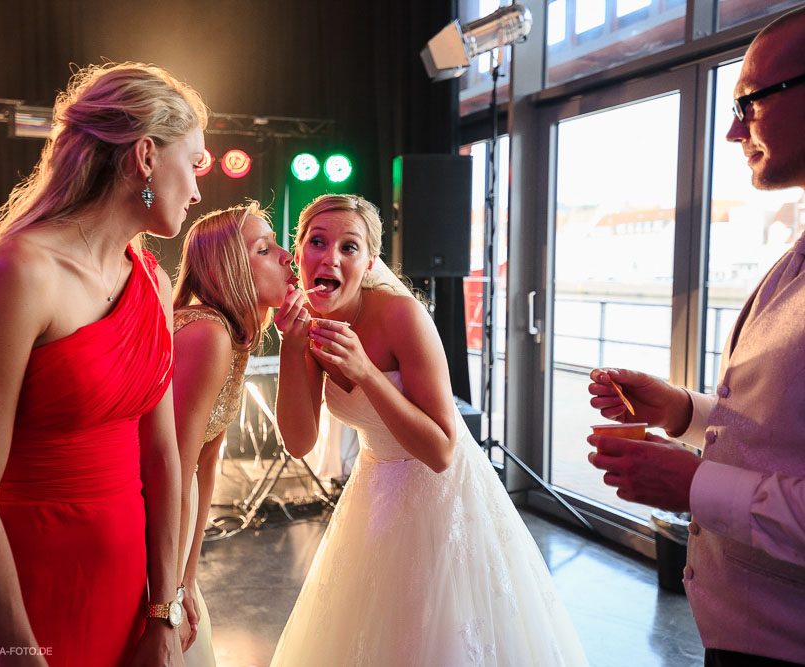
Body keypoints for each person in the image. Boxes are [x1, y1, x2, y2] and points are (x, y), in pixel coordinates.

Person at [0, 61, 207, 666]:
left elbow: (164, 454)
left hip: (128, 594)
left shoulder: (150, 277)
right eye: (193, 163)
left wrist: (163, 604)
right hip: (26, 592)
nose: (198, 189)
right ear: (146, 156)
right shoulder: (20, 271)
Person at [270, 194, 588, 666]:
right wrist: (290, 348)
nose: (330, 257)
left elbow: (441, 451)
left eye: (349, 247)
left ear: (370, 261)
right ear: (299, 253)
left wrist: (367, 373)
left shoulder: (402, 316)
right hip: (375, 489)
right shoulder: (307, 323)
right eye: (317, 242)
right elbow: (299, 443)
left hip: (444, 493)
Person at [586, 8, 805, 666]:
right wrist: (680, 409)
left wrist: (695, 484)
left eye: (751, 102)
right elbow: (782, 431)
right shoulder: (792, 253)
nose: (735, 128)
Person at [170, 201, 296, 665]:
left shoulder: (230, 336)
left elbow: (207, 466)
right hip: (147, 527)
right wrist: (167, 592)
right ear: (229, 270)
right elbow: (175, 472)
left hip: (173, 538)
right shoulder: (206, 333)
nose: (288, 257)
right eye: (265, 249)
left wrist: (189, 574)